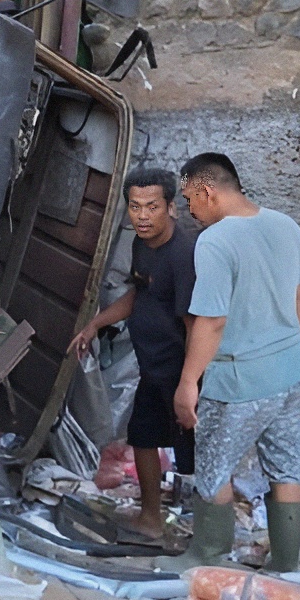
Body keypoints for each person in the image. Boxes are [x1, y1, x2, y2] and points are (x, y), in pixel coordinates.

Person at [158, 153, 300, 573]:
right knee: (287, 473)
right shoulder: (285, 225)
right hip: (291, 373)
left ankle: (208, 555)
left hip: (238, 381)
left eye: (191, 199)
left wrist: (188, 382)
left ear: (208, 191)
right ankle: (286, 566)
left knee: (214, 469)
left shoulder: (214, 242)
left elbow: (212, 322)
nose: (190, 211)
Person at [68, 168, 197, 540]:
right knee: (142, 436)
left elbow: (196, 324)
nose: (142, 216)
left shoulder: (183, 255)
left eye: (152, 207)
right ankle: (151, 519)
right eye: (135, 207)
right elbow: (137, 296)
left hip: (181, 370)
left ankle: (207, 541)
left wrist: (190, 382)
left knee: (196, 451)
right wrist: (94, 325)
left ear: (171, 207)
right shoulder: (143, 245)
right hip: (153, 367)